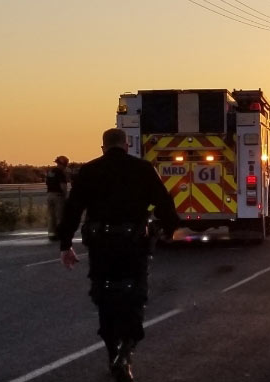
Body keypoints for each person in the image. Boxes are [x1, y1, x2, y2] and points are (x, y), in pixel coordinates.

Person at [58, 128, 180, 382]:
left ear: (103, 148)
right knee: (135, 295)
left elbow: (72, 210)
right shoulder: (143, 169)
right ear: (126, 146)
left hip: (102, 247)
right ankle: (126, 351)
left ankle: (113, 349)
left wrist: (65, 244)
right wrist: (169, 229)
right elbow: (164, 203)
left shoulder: (89, 171)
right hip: (133, 246)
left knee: (103, 296)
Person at [46, 155, 70, 242]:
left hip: (49, 195)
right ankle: (60, 234)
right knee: (60, 216)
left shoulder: (50, 172)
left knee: (51, 216)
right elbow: (63, 186)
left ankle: (52, 234)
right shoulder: (60, 173)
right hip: (58, 196)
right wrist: (66, 196)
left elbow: (47, 183)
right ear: (63, 164)